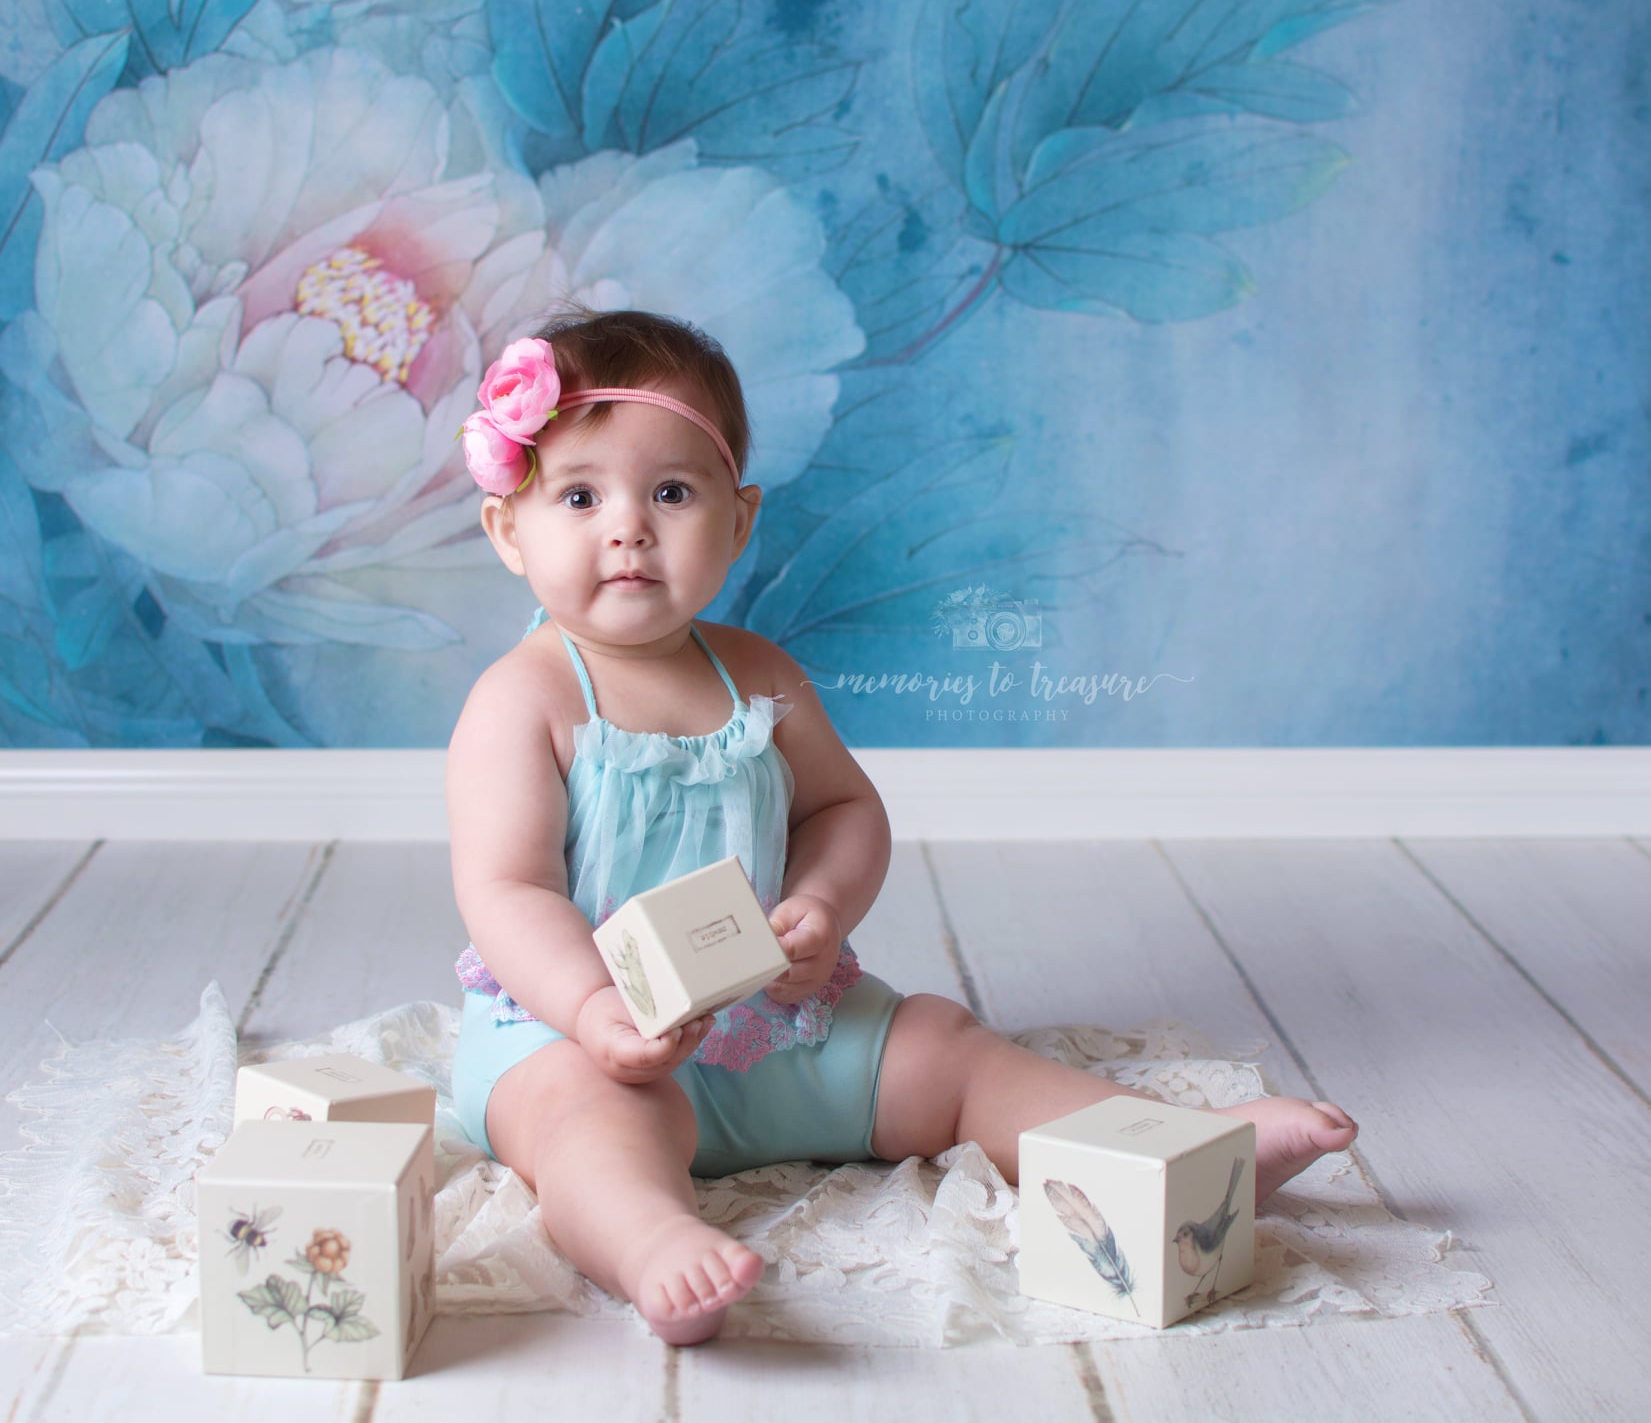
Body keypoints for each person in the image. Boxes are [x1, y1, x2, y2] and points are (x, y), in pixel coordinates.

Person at [445, 310, 1356, 1346]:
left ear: (738, 522)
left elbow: (844, 809)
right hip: (577, 1035)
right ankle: (650, 1240)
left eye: (671, 491)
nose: (629, 526)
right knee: (589, 1125)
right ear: (508, 529)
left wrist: (820, 910)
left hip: (773, 1031)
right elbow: (507, 889)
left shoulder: (757, 675)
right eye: (579, 494)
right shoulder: (523, 700)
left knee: (945, 1046)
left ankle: (1171, 1148)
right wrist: (596, 1007)